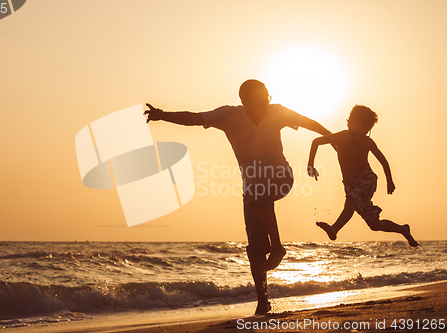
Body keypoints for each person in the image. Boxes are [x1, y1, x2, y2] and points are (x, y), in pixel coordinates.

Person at [144, 79, 332, 314]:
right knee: (255, 248)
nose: (264, 105)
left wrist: (333, 138)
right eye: (257, 101)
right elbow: (194, 118)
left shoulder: (277, 112)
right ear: (243, 101)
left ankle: (277, 247)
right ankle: (263, 301)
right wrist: (163, 115)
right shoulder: (228, 116)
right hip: (252, 190)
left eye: (266, 99)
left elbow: (306, 122)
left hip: (281, 177)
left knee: (257, 191)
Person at [307, 105, 418, 247]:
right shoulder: (341, 136)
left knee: (351, 202)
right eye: (363, 128)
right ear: (350, 122)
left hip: (367, 179)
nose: (364, 133)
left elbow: (383, 161)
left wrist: (389, 181)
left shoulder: (367, 142)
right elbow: (316, 142)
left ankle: (334, 229)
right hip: (349, 184)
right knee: (374, 224)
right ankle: (403, 229)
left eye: (367, 130)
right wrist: (310, 164)